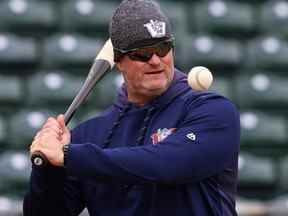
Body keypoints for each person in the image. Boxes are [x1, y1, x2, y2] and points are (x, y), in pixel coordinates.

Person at [24, 0, 240, 215]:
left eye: (162, 48)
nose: (155, 60)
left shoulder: (213, 111)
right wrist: (47, 168)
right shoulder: (90, 136)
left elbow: (167, 164)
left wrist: (70, 156)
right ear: (118, 60)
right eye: (142, 53)